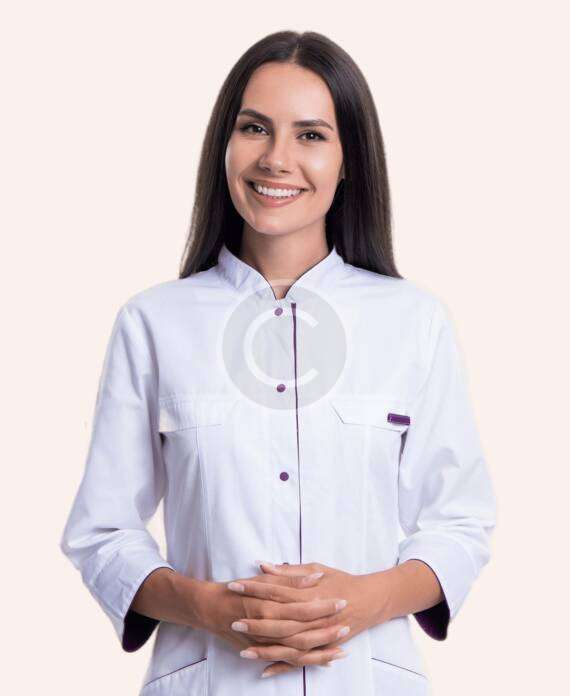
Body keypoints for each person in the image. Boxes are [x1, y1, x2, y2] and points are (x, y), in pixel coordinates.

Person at [60, 29, 497, 696]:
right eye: (254, 128)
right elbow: (102, 531)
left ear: (349, 161)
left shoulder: (414, 321)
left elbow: (460, 523)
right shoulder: (153, 322)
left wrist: (364, 601)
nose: (276, 158)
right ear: (224, 145)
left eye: (311, 135)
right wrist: (208, 607)